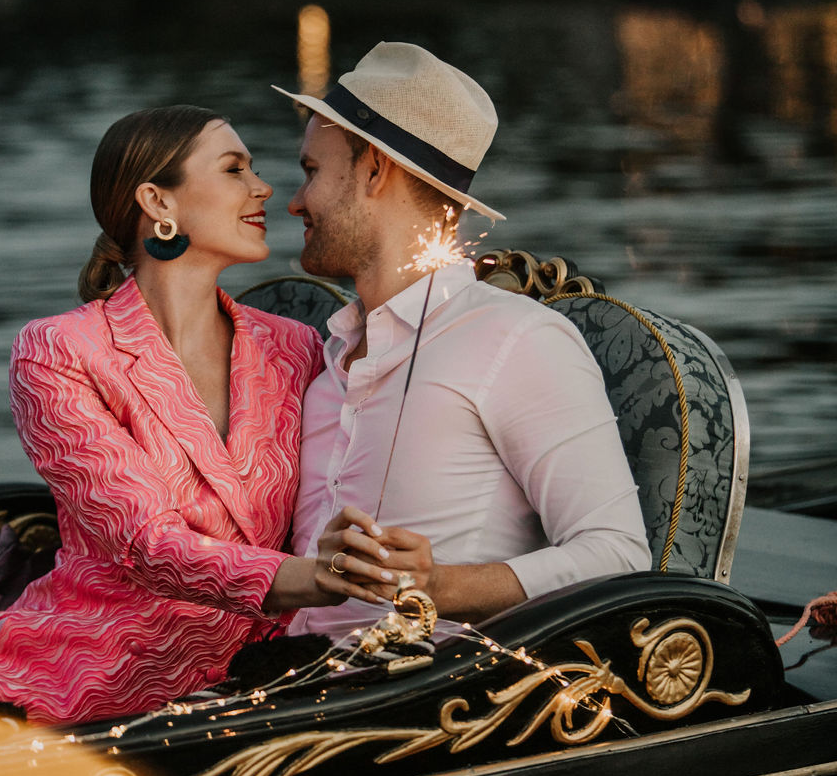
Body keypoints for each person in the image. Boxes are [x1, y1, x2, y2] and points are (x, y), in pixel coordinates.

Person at [0, 106, 395, 723]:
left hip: (260, 684)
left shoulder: (296, 348)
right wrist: (316, 577)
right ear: (156, 201)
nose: (264, 187)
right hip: (83, 680)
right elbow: (145, 544)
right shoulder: (60, 350)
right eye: (234, 168)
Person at [274, 41, 652, 639]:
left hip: (429, 703)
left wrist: (441, 586)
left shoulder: (514, 338)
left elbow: (619, 555)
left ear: (375, 169)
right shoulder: (323, 369)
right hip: (282, 683)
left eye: (312, 172)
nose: (294, 201)